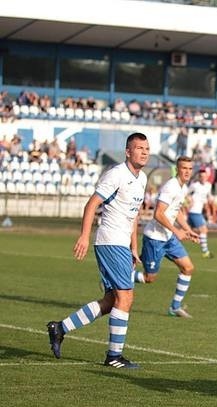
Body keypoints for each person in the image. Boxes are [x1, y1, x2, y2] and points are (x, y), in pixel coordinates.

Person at [46, 132, 150, 369]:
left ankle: (60, 328)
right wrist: (84, 236)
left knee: (111, 300)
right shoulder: (116, 175)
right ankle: (114, 356)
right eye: (139, 148)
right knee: (126, 297)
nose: (144, 152)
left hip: (121, 244)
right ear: (127, 151)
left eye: (146, 148)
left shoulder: (141, 178)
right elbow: (92, 204)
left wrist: (134, 246)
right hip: (110, 241)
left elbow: (133, 215)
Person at [134, 156, 200, 318]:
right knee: (149, 278)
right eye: (184, 168)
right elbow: (158, 213)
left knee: (188, 268)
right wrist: (177, 232)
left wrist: (187, 229)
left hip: (168, 237)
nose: (187, 171)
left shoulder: (182, 188)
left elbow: (175, 212)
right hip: (155, 238)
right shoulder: (171, 187)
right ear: (177, 169)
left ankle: (174, 307)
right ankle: (114, 277)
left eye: (190, 169)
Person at [187, 167, 215, 258]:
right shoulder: (194, 185)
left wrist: (210, 205)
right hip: (193, 211)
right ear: (199, 177)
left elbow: (208, 197)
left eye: (204, 176)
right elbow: (185, 193)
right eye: (201, 176)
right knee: (203, 230)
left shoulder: (208, 185)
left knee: (186, 232)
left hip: (199, 211)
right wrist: (189, 200)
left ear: (207, 176)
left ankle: (169, 243)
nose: (203, 178)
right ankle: (205, 252)